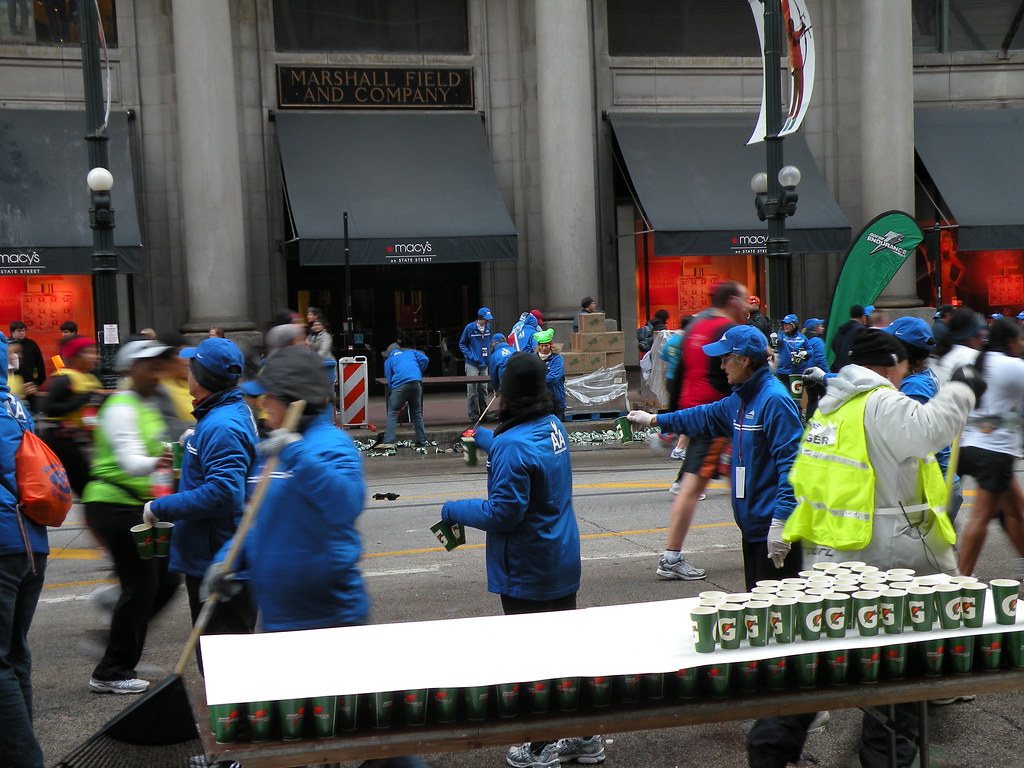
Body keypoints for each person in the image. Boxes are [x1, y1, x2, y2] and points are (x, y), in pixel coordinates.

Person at [748, 328, 981, 768]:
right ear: (891, 366)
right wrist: (963, 389)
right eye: (905, 366)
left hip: (831, 559)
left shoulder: (832, 408)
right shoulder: (881, 401)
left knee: (815, 670)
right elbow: (929, 430)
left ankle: (768, 750)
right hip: (883, 564)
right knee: (893, 682)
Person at [439, 353, 596, 768]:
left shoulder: (512, 446)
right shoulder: (552, 426)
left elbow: (502, 514)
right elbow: (521, 449)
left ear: (504, 394)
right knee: (563, 653)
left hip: (528, 566)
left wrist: (454, 509)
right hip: (561, 555)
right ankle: (585, 736)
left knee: (536, 660)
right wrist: (486, 437)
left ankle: (541, 745)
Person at [628, 325, 804, 588]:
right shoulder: (742, 397)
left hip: (773, 528)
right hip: (754, 527)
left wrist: (781, 521)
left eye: (725, 360)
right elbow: (703, 415)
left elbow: (793, 467)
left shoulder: (773, 400)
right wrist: (654, 419)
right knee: (758, 610)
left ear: (744, 361)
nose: (721, 366)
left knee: (778, 617)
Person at [142, 337, 259, 671]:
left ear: (203, 376)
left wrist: (159, 508)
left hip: (218, 557)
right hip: (211, 552)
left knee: (225, 665)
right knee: (218, 654)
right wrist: (194, 438)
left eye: (192, 366)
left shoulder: (222, 425)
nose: (186, 371)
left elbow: (223, 492)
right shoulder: (222, 415)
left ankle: (232, 720)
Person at [82, 340, 181, 694]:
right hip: (113, 504)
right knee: (142, 586)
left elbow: (158, 451)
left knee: (167, 579)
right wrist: (159, 462)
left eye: (159, 367)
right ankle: (111, 670)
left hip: (139, 506)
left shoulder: (147, 405)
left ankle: (117, 630)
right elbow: (129, 460)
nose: (157, 374)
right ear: (128, 370)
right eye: (149, 367)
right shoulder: (121, 407)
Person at [659, 281, 750, 579]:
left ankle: (754, 539)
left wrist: (673, 417)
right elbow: (726, 377)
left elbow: (680, 372)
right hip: (715, 418)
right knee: (698, 485)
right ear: (733, 301)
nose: (748, 305)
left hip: (694, 412)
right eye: (744, 299)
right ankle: (671, 557)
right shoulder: (724, 329)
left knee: (734, 479)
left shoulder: (697, 322)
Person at [0, 331, 48, 768]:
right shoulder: (14, 406)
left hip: (2, 542)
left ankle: (24, 759)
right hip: (31, 541)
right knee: (14, 653)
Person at [946, 317, 1024, 577]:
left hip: (967, 447)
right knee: (981, 517)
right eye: (1020, 340)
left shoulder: (976, 360)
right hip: (994, 452)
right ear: (1012, 342)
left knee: (1015, 509)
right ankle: (961, 579)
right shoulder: (1013, 366)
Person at [879, 317, 962, 520]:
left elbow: (910, 437)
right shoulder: (921, 375)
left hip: (934, 487)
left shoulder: (915, 387)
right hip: (939, 482)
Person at [40, 336, 103, 497]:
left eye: (95, 352)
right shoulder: (64, 378)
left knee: (87, 487)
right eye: (89, 353)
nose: (96, 357)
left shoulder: (90, 378)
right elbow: (49, 409)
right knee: (86, 488)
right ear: (75, 356)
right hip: (59, 442)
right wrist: (82, 400)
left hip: (79, 442)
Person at [376, 342, 429, 450]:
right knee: (417, 413)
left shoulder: (389, 361)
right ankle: (422, 441)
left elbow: (389, 379)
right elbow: (425, 359)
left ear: (389, 353)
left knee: (392, 412)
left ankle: (389, 441)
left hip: (400, 385)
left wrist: (395, 392)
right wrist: (418, 371)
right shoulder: (411, 352)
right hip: (416, 382)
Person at [459, 308, 493, 422]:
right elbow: (462, 344)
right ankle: (473, 414)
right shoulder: (470, 328)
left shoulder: (488, 328)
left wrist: (489, 356)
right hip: (472, 363)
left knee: (483, 389)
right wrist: (470, 356)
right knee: (472, 390)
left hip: (485, 362)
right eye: (486, 320)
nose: (488, 322)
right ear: (481, 318)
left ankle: (484, 413)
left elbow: (489, 342)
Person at [8, 322, 45, 399]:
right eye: (19, 331)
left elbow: (39, 365)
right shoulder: (6, 344)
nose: (21, 333)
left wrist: (36, 383)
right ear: (12, 332)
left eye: (23, 331)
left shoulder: (31, 344)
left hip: (29, 386)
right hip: (11, 386)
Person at [533, 329, 565, 420]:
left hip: (556, 399)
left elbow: (554, 377)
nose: (544, 348)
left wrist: (535, 380)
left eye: (546, 346)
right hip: (539, 401)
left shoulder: (557, 359)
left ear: (551, 346)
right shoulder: (533, 358)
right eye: (542, 346)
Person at [802, 318, 829, 419]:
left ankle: (809, 420)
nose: (823, 328)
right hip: (816, 374)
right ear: (815, 328)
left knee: (812, 399)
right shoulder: (817, 341)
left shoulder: (804, 339)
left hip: (806, 374)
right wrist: (827, 374)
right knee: (825, 397)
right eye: (821, 326)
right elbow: (820, 360)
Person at [829, 304, 869, 372]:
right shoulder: (861, 330)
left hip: (839, 369)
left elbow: (833, 346)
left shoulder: (840, 330)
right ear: (863, 317)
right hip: (854, 371)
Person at [774, 313, 809, 382]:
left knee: (796, 392)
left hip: (798, 372)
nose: (785, 326)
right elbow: (777, 341)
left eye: (787, 324)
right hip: (783, 372)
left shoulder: (802, 338)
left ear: (794, 325)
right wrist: (774, 338)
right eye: (784, 324)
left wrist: (806, 353)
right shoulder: (781, 335)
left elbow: (811, 350)